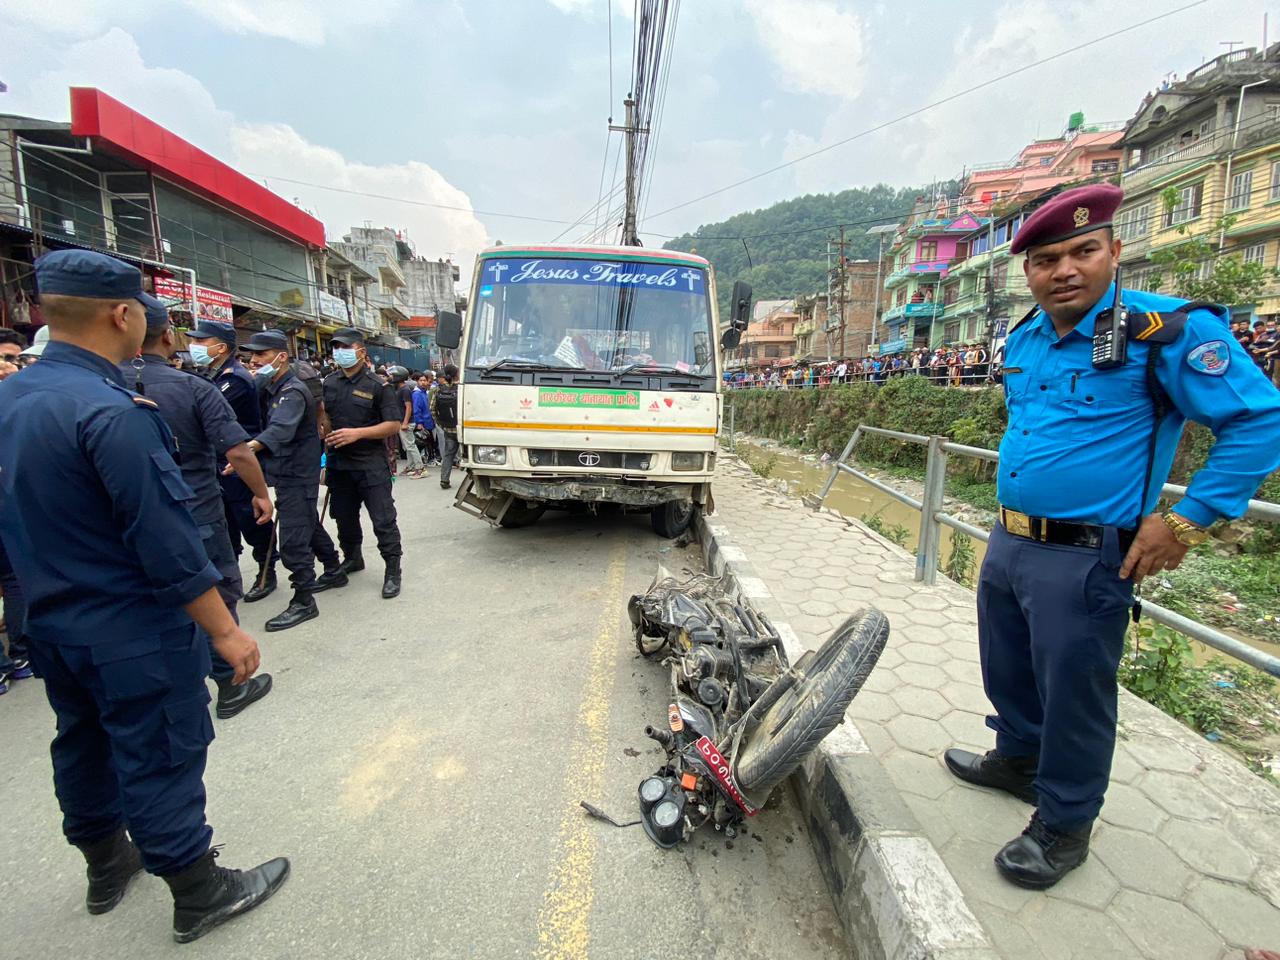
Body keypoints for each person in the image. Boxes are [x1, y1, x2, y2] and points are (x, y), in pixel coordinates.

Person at [942, 185, 1280, 890]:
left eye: (1082, 252)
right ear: (1027, 272)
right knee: (1007, 665)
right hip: (1010, 541)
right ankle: (1018, 760)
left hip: (1088, 553)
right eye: (1045, 259)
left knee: (1075, 690)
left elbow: (1258, 421)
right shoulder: (1027, 337)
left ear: (1114, 253)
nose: (1064, 270)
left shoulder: (1167, 330)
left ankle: (1064, 822)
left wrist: (1187, 519)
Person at [0, 250, 288, 942]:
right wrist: (224, 630)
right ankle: (196, 888)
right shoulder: (114, 412)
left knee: (83, 740)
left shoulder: (12, 398)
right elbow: (163, 539)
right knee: (158, 747)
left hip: (49, 622)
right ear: (123, 314)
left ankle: (106, 865)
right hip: (131, 627)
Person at [121, 304, 275, 719]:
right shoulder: (192, 388)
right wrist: (261, 492)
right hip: (195, 511)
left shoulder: (95, 385)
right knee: (213, 591)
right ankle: (231, 683)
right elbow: (237, 450)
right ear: (167, 337)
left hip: (126, 519)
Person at [243, 331, 346, 631]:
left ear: (281, 356)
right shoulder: (271, 387)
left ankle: (303, 600)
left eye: (260, 356)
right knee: (308, 523)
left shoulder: (292, 392)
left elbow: (279, 431)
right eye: (252, 356)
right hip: (287, 470)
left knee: (292, 540)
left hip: (297, 474)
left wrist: (245, 452)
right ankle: (334, 569)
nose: (254, 361)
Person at [186, 321, 280, 601]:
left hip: (239, 460)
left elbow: (206, 412)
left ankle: (266, 571)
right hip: (218, 462)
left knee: (251, 519)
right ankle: (229, 575)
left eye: (202, 342)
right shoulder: (210, 375)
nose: (195, 347)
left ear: (221, 347)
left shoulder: (234, 379)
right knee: (224, 523)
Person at [322, 328, 404, 599]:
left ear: (361, 352)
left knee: (383, 520)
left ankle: (393, 569)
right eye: (336, 348)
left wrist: (357, 433)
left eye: (345, 347)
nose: (339, 353)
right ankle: (353, 557)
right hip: (339, 464)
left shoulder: (378, 385)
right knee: (343, 518)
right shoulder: (330, 383)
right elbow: (326, 418)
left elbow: (392, 425)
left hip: (370, 464)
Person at [388, 365, 426, 479]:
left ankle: (420, 468)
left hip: (407, 422)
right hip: (402, 421)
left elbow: (408, 407)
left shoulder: (405, 390)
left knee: (410, 445)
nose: (391, 377)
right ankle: (410, 466)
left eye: (393, 375)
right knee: (407, 446)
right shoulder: (398, 389)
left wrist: (405, 422)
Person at [431, 363, 460, 490]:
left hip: (448, 429)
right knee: (468, 455)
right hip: (461, 429)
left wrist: (441, 424)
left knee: (448, 455)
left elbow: (432, 410)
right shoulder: (461, 389)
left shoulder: (438, 390)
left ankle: (444, 479)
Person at [413, 372, 440, 464]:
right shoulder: (417, 394)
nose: (423, 382)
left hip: (429, 422)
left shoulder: (424, 393)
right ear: (417, 381)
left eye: (425, 380)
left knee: (430, 442)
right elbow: (416, 409)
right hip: (423, 423)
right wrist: (419, 422)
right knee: (424, 442)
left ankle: (429, 458)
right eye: (421, 380)